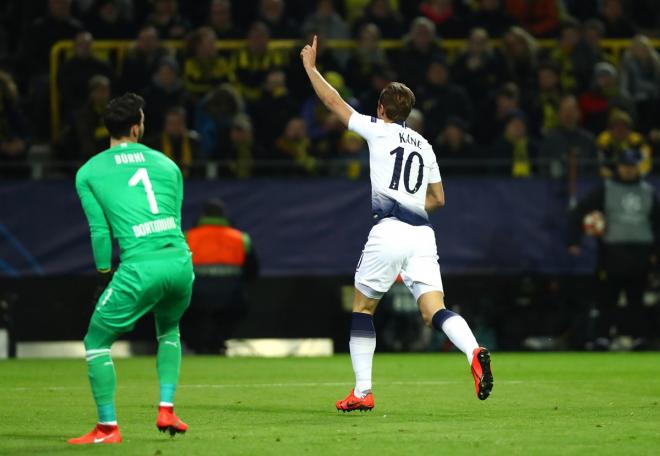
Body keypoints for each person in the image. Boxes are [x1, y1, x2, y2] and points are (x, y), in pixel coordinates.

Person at [300, 36, 493, 412]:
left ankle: (363, 391)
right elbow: (439, 199)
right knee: (433, 309)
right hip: (423, 234)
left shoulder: (378, 129)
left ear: (381, 109)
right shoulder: (425, 145)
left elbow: (333, 102)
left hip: (389, 229)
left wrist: (310, 68)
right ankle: (474, 350)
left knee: (362, 308)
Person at [69, 93, 193, 444]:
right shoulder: (168, 165)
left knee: (95, 342)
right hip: (180, 262)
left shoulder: (89, 172)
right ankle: (166, 408)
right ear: (138, 126)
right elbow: (176, 218)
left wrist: (104, 276)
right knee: (169, 331)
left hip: (141, 266)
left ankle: (107, 428)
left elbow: (99, 231)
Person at [568, 149, 660, 350]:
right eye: (625, 166)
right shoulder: (606, 189)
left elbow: (657, 223)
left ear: (638, 167)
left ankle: (638, 338)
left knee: (637, 298)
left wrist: (655, 252)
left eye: (632, 166)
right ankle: (603, 337)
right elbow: (579, 211)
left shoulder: (648, 191)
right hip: (612, 251)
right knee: (606, 297)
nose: (628, 170)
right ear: (618, 166)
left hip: (641, 251)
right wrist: (574, 240)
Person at [184, 198, 259, 353]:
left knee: (185, 311)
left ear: (203, 215)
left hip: (194, 295)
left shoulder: (187, 237)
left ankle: (196, 345)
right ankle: (217, 343)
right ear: (223, 215)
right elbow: (253, 269)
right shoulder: (240, 238)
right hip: (231, 296)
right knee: (233, 311)